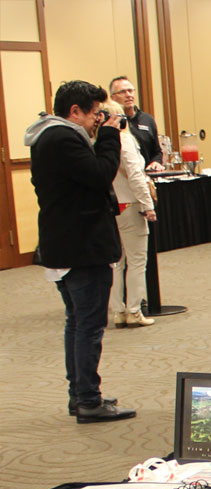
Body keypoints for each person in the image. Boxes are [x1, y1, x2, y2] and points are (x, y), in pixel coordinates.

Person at [25, 81, 136, 423]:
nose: (97, 120)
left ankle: (81, 393)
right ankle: (88, 399)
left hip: (67, 245)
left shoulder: (49, 136)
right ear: (75, 112)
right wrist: (108, 136)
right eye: (94, 114)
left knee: (77, 324)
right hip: (82, 247)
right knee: (88, 326)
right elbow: (100, 174)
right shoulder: (63, 138)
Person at [100, 100, 157, 328]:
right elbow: (135, 175)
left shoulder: (99, 142)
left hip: (113, 205)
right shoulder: (123, 140)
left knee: (117, 261)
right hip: (130, 204)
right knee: (137, 261)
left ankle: (117, 310)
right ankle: (133, 310)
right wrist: (147, 205)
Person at [108, 76, 164, 172]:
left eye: (130, 91)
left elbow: (157, 152)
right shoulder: (111, 122)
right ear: (113, 98)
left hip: (147, 177)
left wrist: (156, 162)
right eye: (122, 92)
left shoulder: (147, 119)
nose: (128, 95)